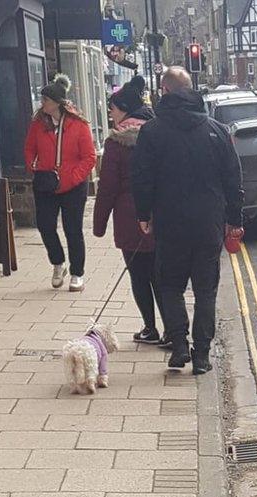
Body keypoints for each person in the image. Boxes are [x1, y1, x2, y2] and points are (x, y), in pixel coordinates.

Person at [131, 67, 243, 374]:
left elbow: (141, 178)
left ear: (165, 92)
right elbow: (233, 178)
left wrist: (143, 214)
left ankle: (179, 346)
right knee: (206, 290)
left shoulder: (152, 132)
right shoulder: (216, 130)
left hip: (170, 223)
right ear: (191, 90)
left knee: (170, 286)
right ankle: (202, 355)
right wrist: (234, 218)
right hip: (208, 223)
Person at [93, 75, 168, 345]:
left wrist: (99, 224)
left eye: (112, 108)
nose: (110, 113)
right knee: (162, 275)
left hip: (130, 219)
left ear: (123, 108)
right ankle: (172, 330)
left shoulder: (116, 142)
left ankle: (150, 328)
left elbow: (108, 188)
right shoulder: (160, 133)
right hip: (162, 216)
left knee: (140, 275)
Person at [24, 74, 97, 292]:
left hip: (73, 186)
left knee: (72, 229)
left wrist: (73, 178)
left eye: (46, 99)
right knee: (45, 225)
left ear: (57, 102)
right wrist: (33, 167)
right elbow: (29, 148)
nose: (42, 103)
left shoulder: (78, 125)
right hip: (46, 183)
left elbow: (89, 157)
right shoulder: (38, 124)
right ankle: (58, 262)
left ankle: (77, 273)